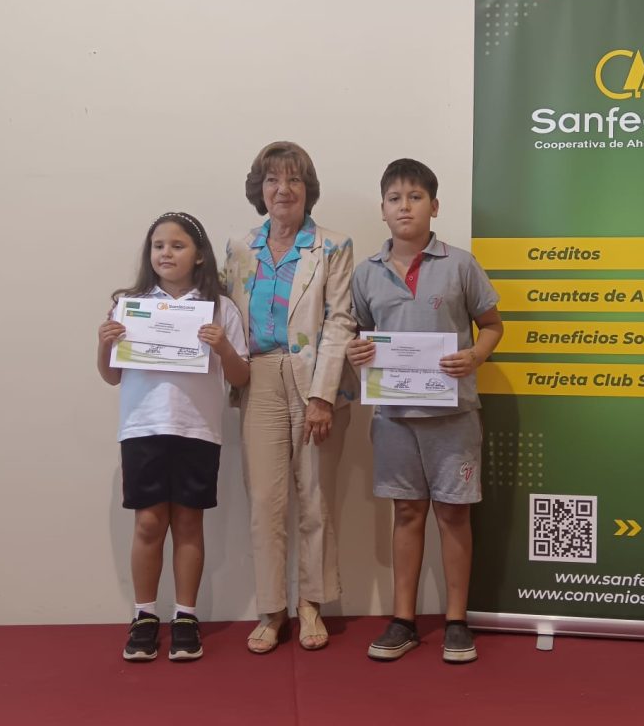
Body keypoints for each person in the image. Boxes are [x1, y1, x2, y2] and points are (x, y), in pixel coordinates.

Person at [346, 159, 503, 664]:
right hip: (394, 417)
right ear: (383, 209)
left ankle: (456, 620)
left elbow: (493, 325)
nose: (405, 207)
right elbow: (361, 335)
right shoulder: (366, 273)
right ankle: (404, 620)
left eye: (415, 197)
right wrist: (357, 351)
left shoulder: (460, 264)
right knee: (407, 512)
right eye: (395, 199)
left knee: (454, 514)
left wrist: (475, 356)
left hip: (453, 416)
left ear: (434, 206)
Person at [97, 212, 250, 662]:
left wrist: (223, 347)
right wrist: (105, 342)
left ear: (199, 255)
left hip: (197, 429)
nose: (166, 253)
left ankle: (186, 616)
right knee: (148, 523)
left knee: (188, 523)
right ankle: (144, 615)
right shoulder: (130, 305)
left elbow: (241, 376)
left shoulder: (220, 308)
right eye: (158, 245)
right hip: (142, 427)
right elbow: (111, 376)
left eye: (178, 245)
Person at [224, 141, 356, 653]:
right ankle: (272, 608)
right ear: (259, 189)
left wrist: (323, 396)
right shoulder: (239, 248)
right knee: (265, 501)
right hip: (257, 377)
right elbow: (220, 314)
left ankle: (311, 604)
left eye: (294, 179)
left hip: (314, 378)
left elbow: (340, 321)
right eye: (273, 180)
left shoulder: (333, 246)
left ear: (308, 189)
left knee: (315, 497)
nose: (283, 189)